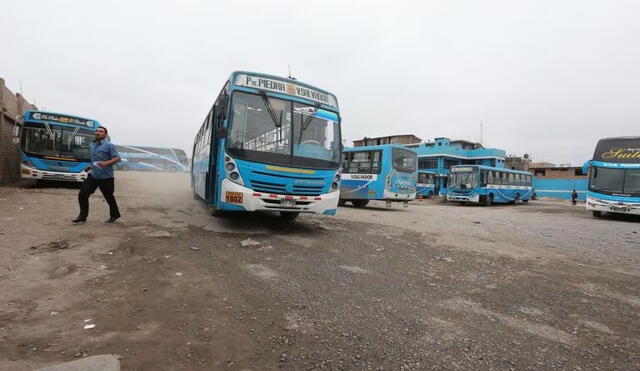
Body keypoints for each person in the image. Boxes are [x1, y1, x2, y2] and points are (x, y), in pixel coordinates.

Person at [72, 126, 122, 223]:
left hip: (106, 177)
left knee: (109, 197)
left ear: (105, 134)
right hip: (93, 175)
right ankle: (83, 216)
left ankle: (115, 215)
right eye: (97, 131)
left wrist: (106, 163)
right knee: (83, 194)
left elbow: (117, 158)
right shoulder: (92, 144)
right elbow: (94, 159)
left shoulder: (109, 145)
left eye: (101, 131)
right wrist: (90, 167)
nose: (98, 132)